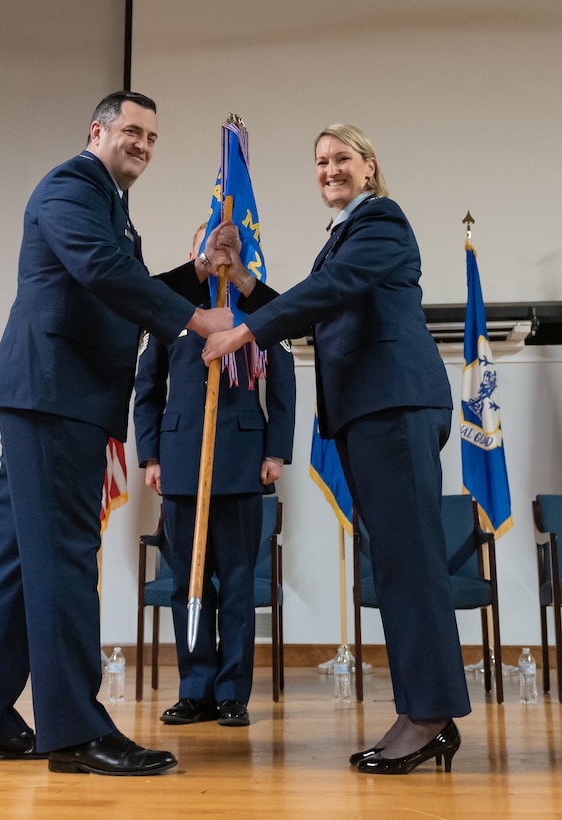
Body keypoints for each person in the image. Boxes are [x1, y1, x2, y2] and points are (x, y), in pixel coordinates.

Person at [0, 91, 236, 777]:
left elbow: (118, 282)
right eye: (132, 131)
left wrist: (194, 275)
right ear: (97, 130)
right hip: (55, 393)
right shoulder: (71, 185)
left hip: (55, 395)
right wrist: (197, 319)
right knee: (64, 563)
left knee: (19, 563)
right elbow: (102, 273)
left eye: (153, 137)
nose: (142, 144)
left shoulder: (107, 203)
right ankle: (75, 734)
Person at [203, 124, 471, 774]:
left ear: (369, 166)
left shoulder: (380, 220)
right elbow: (318, 305)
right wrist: (239, 281)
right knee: (397, 565)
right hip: (368, 415)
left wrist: (244, 332)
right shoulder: (344, 238)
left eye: (341, 158)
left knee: (411, 564)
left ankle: (431, 716)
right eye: (320, 161)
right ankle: (418, 710)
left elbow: (327, 294)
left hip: (394, 406)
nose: (329, 169)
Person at [133, 224, 296, 727]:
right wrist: (151, 457)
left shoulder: (257, 307)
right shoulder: (175, 306)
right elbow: (147, 387)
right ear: (195, 250)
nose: (220, 251)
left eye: (228, 243)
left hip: (243, 459)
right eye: (211, 242)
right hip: (181, 460)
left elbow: (284, 381)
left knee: (239, 584)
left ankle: (232, 693)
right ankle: (195, 689)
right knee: (188, 582)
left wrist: (276, 451)